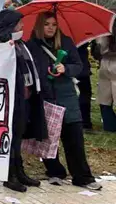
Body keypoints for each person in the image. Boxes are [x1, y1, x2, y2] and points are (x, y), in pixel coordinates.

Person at [25, 12, 101, 190]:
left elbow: (78, 66)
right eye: (46, 24)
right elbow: (29, 68)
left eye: (53, 24)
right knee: (48, 138)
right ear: (39, 26)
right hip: (45, 96)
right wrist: (46, 74)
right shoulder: (32, 45)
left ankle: (82, 176)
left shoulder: (66, 42)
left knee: (74, 136)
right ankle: (54, 172)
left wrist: (65, 68)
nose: (51, 27)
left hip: (67, 96)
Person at [0, 10, 46, 192]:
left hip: (25, 97)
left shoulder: (21, 44)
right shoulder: (0, 45)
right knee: (11, 137)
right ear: (9, 26)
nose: (22, 26)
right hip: (10, 100)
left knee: (18, 136)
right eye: (18, 24)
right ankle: (10, 175)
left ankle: (19, 171)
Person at [95, 30, 116, 132]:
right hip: (107, 62)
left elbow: (98, 49)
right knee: (104, 98)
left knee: (104, 99)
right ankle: (110, 126)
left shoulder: (103, 27)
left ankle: (110, 126)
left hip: (105, 61)